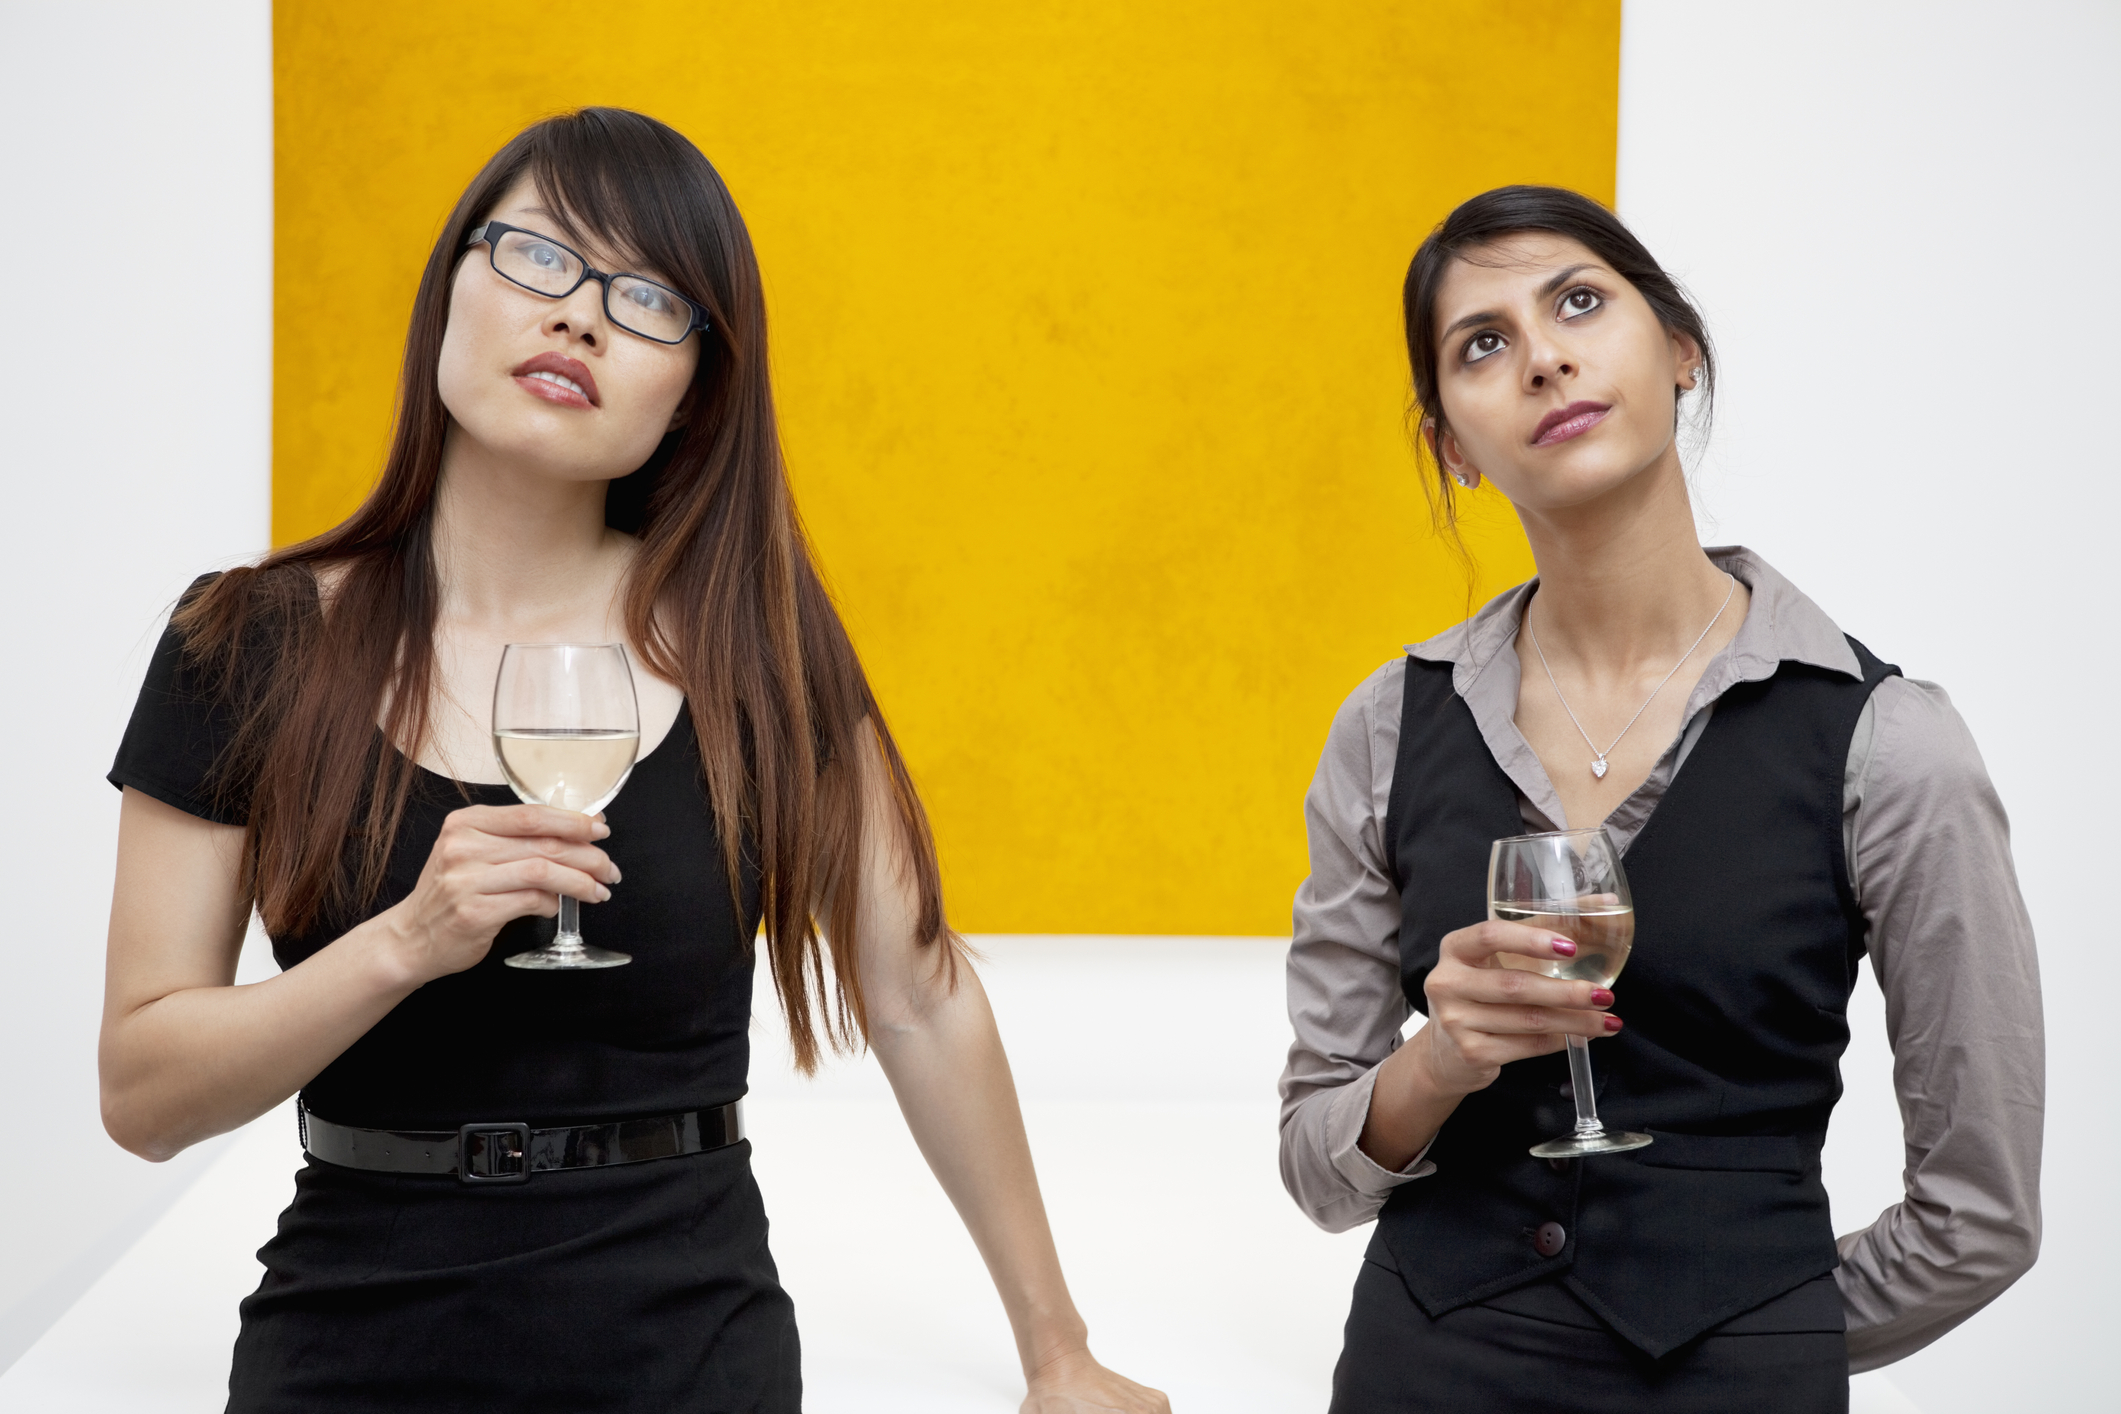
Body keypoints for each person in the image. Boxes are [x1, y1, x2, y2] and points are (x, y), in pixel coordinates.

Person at [100, 106, 1167, 1414]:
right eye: (539, 257)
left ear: (696, 390)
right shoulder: (242, 639)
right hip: (349, 1339)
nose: (581, 317)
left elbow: (921, 994)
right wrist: (406, 941)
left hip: (687, 1347)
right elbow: (142, 1093)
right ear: (452, 288)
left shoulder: (757, 652)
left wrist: (1057, 1352)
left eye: (647, 296)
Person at [1278, 185, 2042, 1411]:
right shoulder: (1386, 726)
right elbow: (1317, 1168)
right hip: (1422, 1376)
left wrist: (1760, 1329)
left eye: (1580, 302)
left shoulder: (1890, 743)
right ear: (1453, 447)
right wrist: (1442, 1058)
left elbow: (1983, 1216)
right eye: (1485, 343)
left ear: (1679, 349)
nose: (1545, 358)